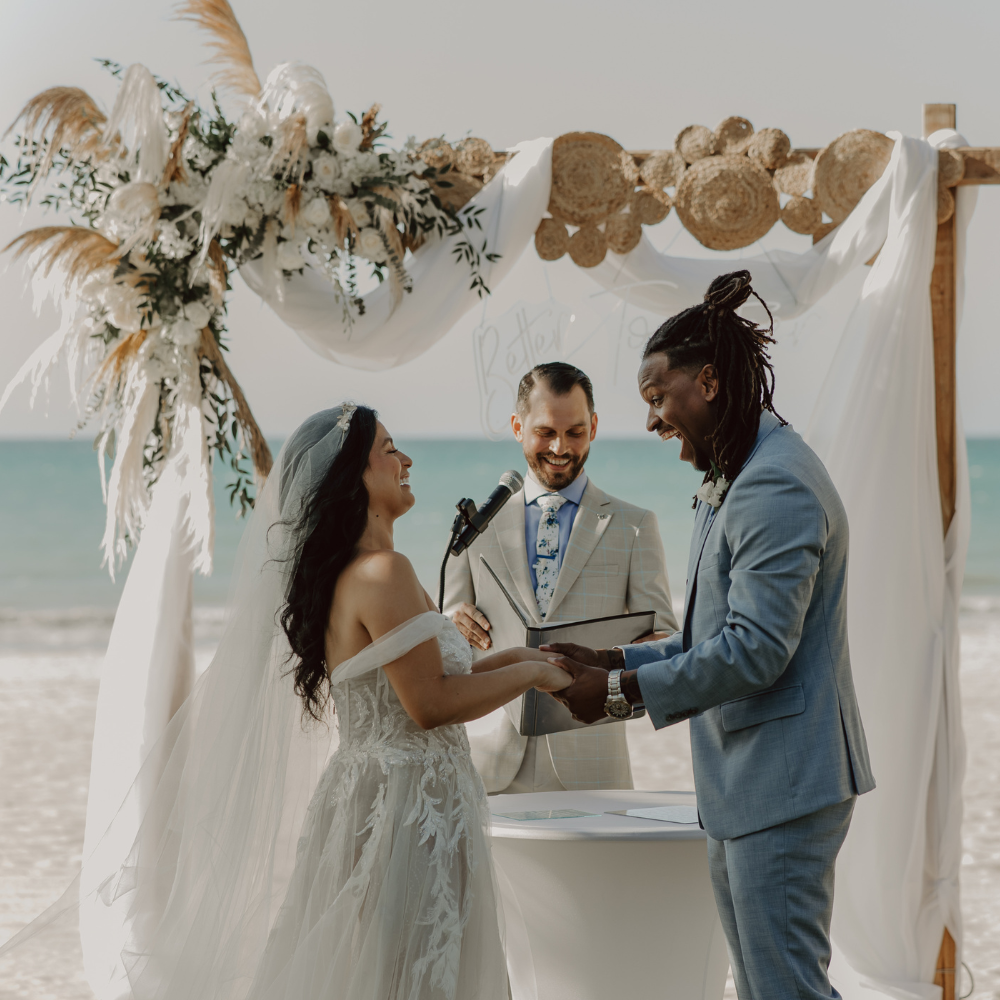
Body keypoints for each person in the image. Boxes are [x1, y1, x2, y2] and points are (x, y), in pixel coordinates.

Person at [1, 404, 570, 1000]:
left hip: (386, 791)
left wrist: (532, 661)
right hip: (405, 803)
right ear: (355, 478)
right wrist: (532, 677)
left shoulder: (360, 572)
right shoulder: (383, 572)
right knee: (413, 972)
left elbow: (442, 676)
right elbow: (429, 703)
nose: (407, 461)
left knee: (383, 968)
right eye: (391, 449)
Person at [545, 272, 875, 1000]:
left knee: (785, 988)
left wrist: (619, 694)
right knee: (761, 987)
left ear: (712, 382)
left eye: (660, 398)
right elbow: (710, 635)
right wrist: (609, 659)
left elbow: (757, 650)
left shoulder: (774, 484)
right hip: (748, 783)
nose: (654, 421)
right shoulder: (737, 471)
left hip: (783, 783)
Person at [444, 361, 677, 794]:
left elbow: (666, 642)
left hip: (594, 768)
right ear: (517, 426)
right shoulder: (477, 526)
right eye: (545, 432)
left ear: (593, 426)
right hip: (488, 766)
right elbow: (448, 643)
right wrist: (451, 618)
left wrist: (609, 661)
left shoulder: (636, 525)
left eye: (575, 432)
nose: (560, 447)